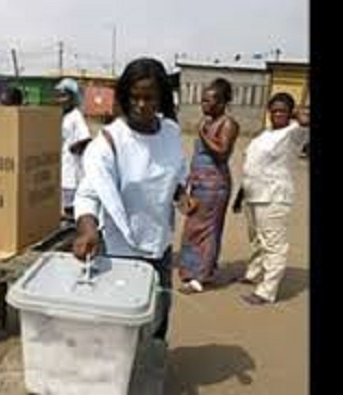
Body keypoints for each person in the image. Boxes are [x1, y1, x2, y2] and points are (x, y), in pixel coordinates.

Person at [73, 57, 198, 345]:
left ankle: (150, 369)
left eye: (149, 97)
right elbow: (89, 194)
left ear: (162, 98)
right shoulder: (110, 142)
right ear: (125, 97)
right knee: (122, 321)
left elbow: (174, 173)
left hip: (160, 245)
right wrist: (88, 229)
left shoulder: (170, 132)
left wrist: (181, 197)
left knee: (157, 316)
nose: (141, 105)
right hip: (121, 249)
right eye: (135, 97)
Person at [231, 92, 309, 305]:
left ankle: (266, 291)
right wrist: (240, 196)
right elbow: (251, 167)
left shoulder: (294, 133)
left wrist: (299, 117)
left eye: (282, 111)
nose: (277, 114)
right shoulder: (264, 135)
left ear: (290, 112)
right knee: (258, 239)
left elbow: (305, 123)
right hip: (253, 195)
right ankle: (253, 274)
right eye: (273, 110)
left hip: (274, 197)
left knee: (273, 244)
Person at [177, 78, 240, 293]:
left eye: (208, 100)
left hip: (215, 187)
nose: (203, 104)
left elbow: (222, 153)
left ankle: (201, 277)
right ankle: (194, 271)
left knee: (208, 231)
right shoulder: (206, 122)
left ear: (222, 102)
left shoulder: (227, 124)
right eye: (202, 100)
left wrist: (203, 134)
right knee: (193, 230)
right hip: (199, 184)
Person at [54, 78, 92, 219]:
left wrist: (75, 146)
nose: (60, 99)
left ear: (72, 98)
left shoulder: (76, 116)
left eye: (64, 95)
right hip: (60, 166)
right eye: (58, 95)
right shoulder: (60, 116)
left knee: (70, 208)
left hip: (71, 170)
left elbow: (86, 139)